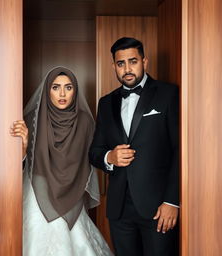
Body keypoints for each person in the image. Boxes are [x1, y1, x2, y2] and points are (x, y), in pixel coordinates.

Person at [89, 37, 179, 256]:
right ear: (114, 66)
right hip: (119, 209)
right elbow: (95, 152)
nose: (127, 69)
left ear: (144, 61)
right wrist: (109, 157)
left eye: (133, 61)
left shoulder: (168, 94)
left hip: (159, 208)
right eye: (121, 63)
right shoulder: (106, 102)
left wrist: (172, 202)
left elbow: (181, 151)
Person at [10, 67, 113, 256]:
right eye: (56, 87)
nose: (63, 93)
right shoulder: (32, 119)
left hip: (72, 193)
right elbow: (17, 166)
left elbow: (91, 159)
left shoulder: (85, 122)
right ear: (47, 90)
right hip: (38, 193)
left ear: (76, 91)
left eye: (68, 87)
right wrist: (23, 147)